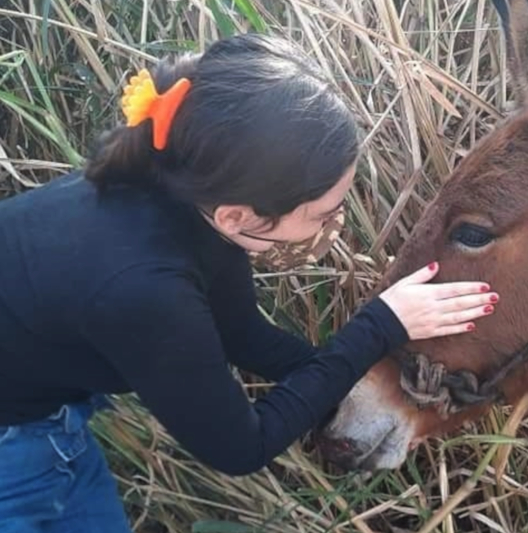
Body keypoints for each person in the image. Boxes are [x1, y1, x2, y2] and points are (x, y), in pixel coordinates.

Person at [0, 33, 500, 532]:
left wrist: (368, 392)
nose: (335, 222)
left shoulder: (188, 199)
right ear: (239, 216)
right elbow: (241, 447)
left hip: (44, 415)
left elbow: (243, 335)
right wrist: (378, 325)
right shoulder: (148, 288)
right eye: (322, 214)